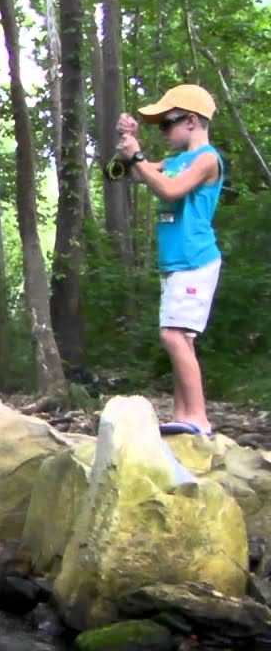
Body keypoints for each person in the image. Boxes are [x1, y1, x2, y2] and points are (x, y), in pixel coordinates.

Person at [115, 84, 224, 437]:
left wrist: (138, 158)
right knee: (182, 339)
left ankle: (199, 418)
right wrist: (127, 144)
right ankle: (183, 415)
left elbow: (170, 190)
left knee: (173, 335)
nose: (162, 131)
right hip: (175, 263)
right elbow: (122, 174)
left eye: (167, 123)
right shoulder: (174, 162)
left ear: (191, 121)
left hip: (195, 259)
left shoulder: (207, 159)